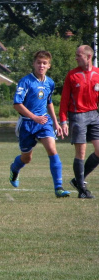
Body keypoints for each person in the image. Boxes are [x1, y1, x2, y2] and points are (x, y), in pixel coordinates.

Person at [8, 50, 71, 198]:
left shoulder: (50, 82)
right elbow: (17, 104)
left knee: (52, 149)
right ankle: (14, 168)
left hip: (44, 122)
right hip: (27, 124)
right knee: (26, 158)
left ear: (49, 65)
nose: (41, 65)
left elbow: (49, 103)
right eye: (38, 63)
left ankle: (58, 188)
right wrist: (34, 117)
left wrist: (56, 123)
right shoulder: (26, 81)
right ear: (34, 64)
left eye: (44, 63)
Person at [59, 45, 99, 199]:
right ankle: (82, 190)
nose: (75, 58)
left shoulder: (98, 74)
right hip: (77, 115)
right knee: (80, 152)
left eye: (78, 55)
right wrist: (63, 121)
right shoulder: (72, 75)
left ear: (88, 57)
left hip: (94, 115)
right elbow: (64, 100)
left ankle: (77, 181)